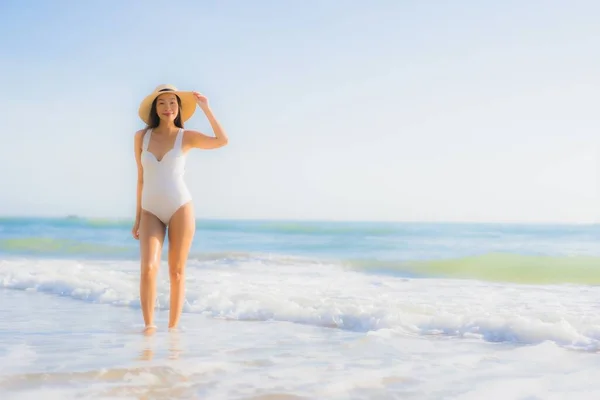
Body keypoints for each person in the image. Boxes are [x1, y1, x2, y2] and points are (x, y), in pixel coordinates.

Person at [131, 84, 228, 333]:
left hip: (180, 207)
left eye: (172, 103)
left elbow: (222, 140)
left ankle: (173, 329)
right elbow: (140, 177)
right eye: (161, 103)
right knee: (149, 268)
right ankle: (149, 327)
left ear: (179, 107)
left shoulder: (186, 137)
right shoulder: (141, 137)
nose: (167, 108)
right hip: (150, 209)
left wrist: (206, 108)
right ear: (155, 107)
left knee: (176, 271)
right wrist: (137, 217)